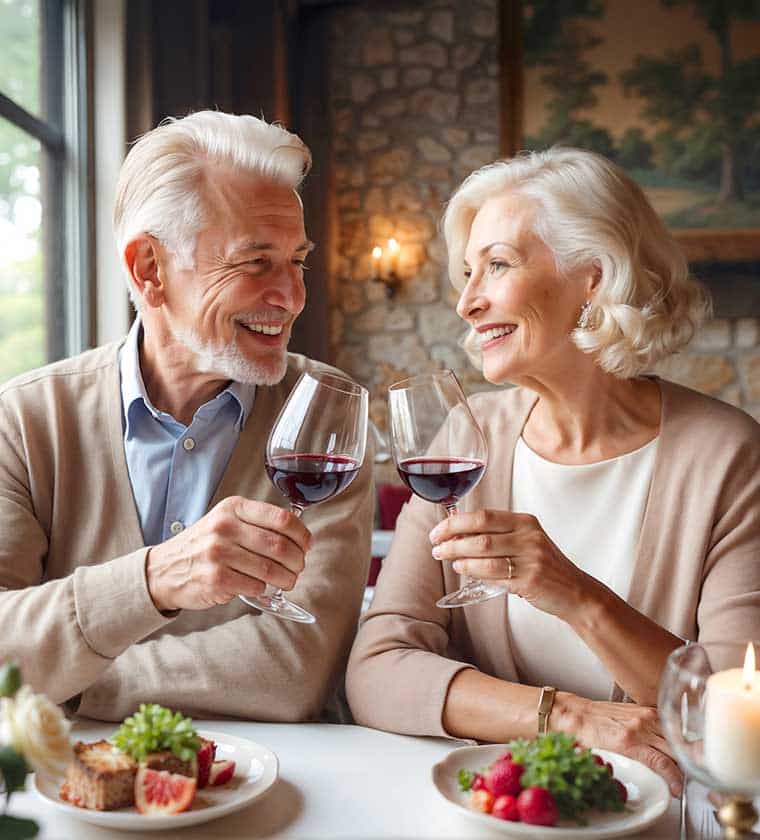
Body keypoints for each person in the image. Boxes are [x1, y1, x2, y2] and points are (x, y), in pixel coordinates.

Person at [346, 148, 760, 795]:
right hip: (496, 808)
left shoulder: (726, 454)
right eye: (466, 273)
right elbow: (375, 671)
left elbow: (733, 714)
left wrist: (579, 597)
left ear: (593, 277)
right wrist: (563, 717)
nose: (467, 302)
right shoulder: (469, 435)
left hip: (662, 813)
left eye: (498, 265)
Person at [0, 111, 373, 722]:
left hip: (287, 794)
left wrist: (64, 678)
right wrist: (153, 581)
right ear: (150, 268)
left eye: (297, 261)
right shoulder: (23, 420)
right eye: (256, 263)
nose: (293, 295)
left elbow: (292, 671)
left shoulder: (327, 415)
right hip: (78, 800)